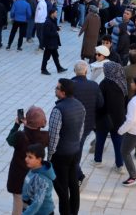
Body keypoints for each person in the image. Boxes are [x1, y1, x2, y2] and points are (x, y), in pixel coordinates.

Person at [48, 78, 85, 215]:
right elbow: (80, 130)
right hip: (75, 151)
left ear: (63, 92)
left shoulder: (58, 110)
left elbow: (53, 136)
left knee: (62, 190)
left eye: (57, 88)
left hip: (61, 155)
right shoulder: (80, 105)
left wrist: (50, 156)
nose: (55, 90)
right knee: (73, 185)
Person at [6, 106, 49, 215]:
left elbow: (9, 140)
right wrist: (28, 125)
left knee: (17, 203)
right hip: (33, 178)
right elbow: (35, 132)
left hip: (18, 177)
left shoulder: (20, 136)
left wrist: (17, 124)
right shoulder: (45, 137)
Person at [69, 61, 102, 184]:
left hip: (72, 125)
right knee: (78, 148)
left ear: (74, 70)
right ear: (86, 71)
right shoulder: (94, 85)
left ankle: (78, 175)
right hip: (87, 124)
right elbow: (100, 104)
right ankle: (77, 173)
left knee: (73, 151)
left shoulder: (70, 85)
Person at [91, 61, 127, 174]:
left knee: (100, 138)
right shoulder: (122, 83)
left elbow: (99, 102)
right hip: (119, 118)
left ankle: (98, 161)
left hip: (104, 117)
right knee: (118, 141)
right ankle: (120, 165)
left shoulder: (104, 83)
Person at [22, 143, 56, 215]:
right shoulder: (33, 169)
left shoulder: (41, 179)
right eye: (26, 156)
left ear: (39, 159)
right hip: (32, 209)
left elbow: (37, 202)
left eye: (30, 157)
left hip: (43, 212)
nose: (26, 159)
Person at [41, 9, 67, 75]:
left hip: (53, 42)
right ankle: (43, 69)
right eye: (55, 12)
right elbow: (46, 33)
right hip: (49, 43)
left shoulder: (53, 20)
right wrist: (55, 33)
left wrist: (57, 28)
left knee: (55, 56)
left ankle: (59, 68)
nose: (56, 14)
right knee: (46, 57)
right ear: (52, 14)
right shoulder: (47, 22)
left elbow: (54, 27)